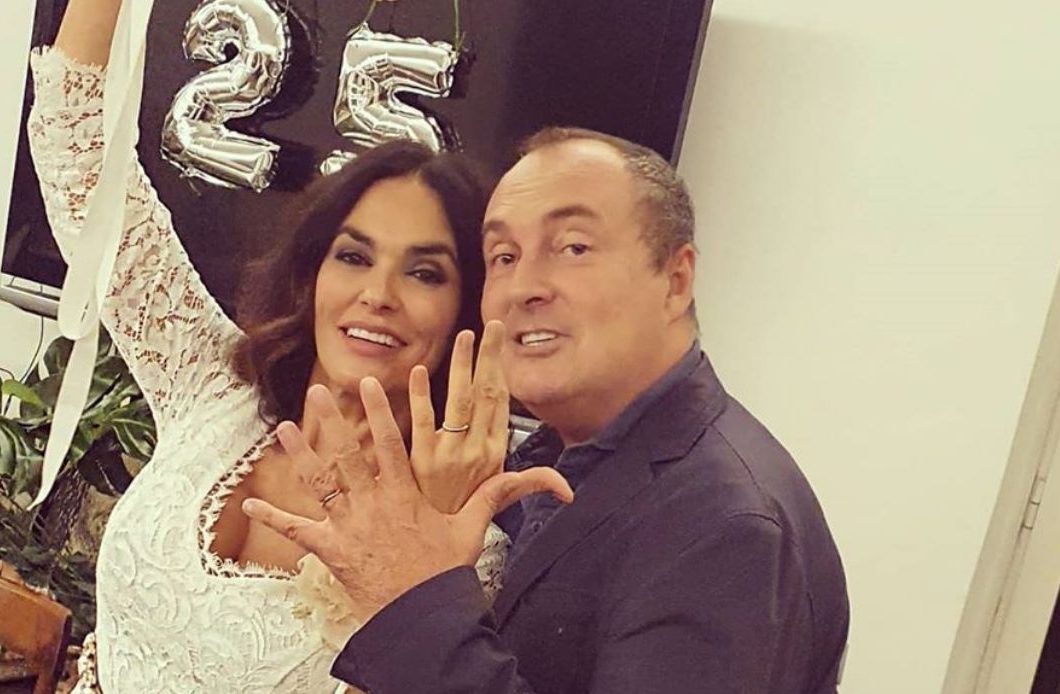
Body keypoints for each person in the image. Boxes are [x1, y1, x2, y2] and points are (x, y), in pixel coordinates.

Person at [25, 0, 566, 691]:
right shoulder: (211, 383)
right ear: (313, 272)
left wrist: (426, 526)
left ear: (468, 308)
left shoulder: (464, 541)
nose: (378, 294)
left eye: (424, 272)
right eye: (353, 257)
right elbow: (76, 152)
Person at [245, 127, 851, 693]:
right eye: (504, 257)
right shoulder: (544, 463)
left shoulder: (723, 526)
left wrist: (415, 598)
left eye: (573, 247)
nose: (525, 286)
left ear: (675, 280)